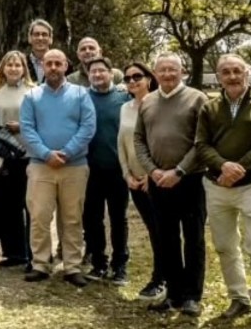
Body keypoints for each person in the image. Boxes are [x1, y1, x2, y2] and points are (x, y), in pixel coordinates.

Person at [197, 54, 251, 322]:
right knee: (225, 245)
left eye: (237, 71)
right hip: (217, 186)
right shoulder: (209, 108)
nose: (232, 76)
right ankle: (238, 298)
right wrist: (223, 166)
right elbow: (201, 145)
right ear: (219, 77)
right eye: (226, 72)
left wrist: (238, 168)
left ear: (247, 73)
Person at [135, 53, 210, 317]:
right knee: (166, 238)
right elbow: (139, 139)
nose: (168, 74)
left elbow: (202, 142)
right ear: (155, 74)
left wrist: (179, 171)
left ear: (182, 71)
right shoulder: (147, 101)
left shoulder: (197, 99)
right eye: (162, 70)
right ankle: (174, 293)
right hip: (158, 182)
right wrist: (153, 171)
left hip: (190, 179)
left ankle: (192, 296)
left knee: (193, 238)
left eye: (173, 69)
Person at [20, 49, 96, 287]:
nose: (53, 67)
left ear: (65, 66)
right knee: (39, 216)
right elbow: (27, 129)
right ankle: (41, 264)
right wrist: (46, 154)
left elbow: (88, 127)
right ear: (43, 66)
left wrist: (67, 152)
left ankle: (72, 266)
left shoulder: (81, 94)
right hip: (40, 166)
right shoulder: (32, 96)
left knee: (72, 218)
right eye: (49, 63)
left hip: (74, 166)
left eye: (58, 63)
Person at [80, 58, 133, 284]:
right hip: (89, 169)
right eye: (93, 71)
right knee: (92, 218)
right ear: (88, 75)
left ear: (111, 73)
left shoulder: (124, 97)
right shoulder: (82, 98)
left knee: (118, 218)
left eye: (102, 70)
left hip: (118, 169)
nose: (97, 74)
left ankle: (120, 265)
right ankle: (98, 263)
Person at [119, 62, 165, 302]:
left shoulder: (159, 104)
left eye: (137, 76)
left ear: (149, 78)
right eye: (127, 78)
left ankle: (161, 279)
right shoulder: (125, 108)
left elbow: (161, 142)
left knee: (160, 230)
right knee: (151, 228)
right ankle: (161, 276)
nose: (132, 81)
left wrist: (151, 174)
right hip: (134, 180)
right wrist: (126, 174)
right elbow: (121, 143)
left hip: (155, 178)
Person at [0, 50, 34, 269]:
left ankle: (33, 253)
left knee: (28, 204)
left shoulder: (34, 92)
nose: (14, 69)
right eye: (10, 65)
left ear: (24, 69)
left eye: (18, 65)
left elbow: (41, 121)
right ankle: (14, 253)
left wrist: (22, 126)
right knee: (7, 205)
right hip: (2, 156)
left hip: (27, 155)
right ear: (3, 68)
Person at [26, 19, 54, 84]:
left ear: (50, 39)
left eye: (44, 34)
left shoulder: (62, 63)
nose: (40, 38)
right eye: (36, 34)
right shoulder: (21, 63)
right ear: (30, 38)